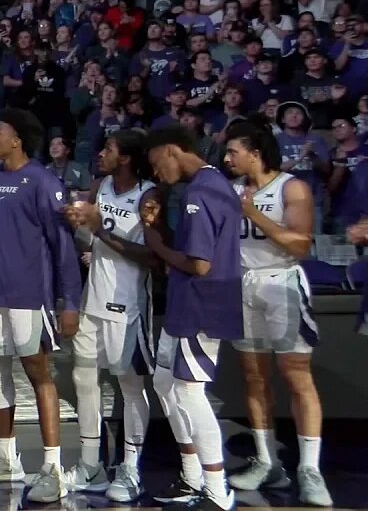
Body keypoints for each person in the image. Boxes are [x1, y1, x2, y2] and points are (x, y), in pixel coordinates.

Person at [0, 108, 81, 503]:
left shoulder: (43, 181)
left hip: (31, 295)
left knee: (38, 373)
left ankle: (52, 467)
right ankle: (6, 459)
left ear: (16, 140)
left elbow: (62, 246)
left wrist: (70, 302)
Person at [220, 121, 332, 507]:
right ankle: (268, 462)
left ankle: (310, 469)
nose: (227, 158)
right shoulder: (230, 190)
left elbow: (299, 243)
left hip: (281, 281)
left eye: (233, 151)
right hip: (243, 284)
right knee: (253, 377)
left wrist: (252, 213)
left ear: (255, 151)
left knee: (296, 376)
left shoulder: (291, 187)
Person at [141, 125, 245, 511]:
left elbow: (199, 264)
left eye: (156, 163)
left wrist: (155, 243)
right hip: (190, 303)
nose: (156, 173)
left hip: (201, 303)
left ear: (172, 150)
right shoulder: (211, 185)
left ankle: (216, 491)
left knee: (188, 391)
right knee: (165, 381)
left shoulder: (200, 193)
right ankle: (192, 475)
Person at [60, 130, 158, 502]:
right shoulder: (99, 186)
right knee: (84, 378)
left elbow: (151, 256)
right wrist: (79, 223)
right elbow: (90, 239)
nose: (101, 153)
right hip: (93, 298)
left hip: (128, 302)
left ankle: (131, 467)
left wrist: (101, 229)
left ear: (128, 158)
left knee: (130, 385)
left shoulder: (148, 195)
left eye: (110, 149)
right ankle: (90, 464)